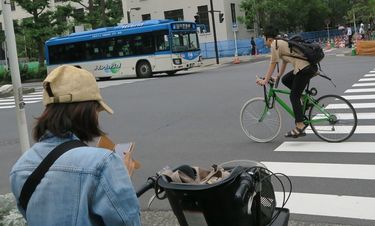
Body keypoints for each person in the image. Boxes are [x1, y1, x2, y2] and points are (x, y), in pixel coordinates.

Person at [10, 65, 141, 226]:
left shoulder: (20, 167)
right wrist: (122, 179)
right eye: (97, 110)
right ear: (86, 110)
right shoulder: (103, 164)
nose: (97, 116)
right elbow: (129, 222)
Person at [256, 25, 318, 138]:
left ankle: (299, 126)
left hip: (304, 69)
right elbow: (284, 62)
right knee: (286, 79)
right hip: (307, 68)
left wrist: (265, 80)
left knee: (294, 96)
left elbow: (273, 63)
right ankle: (304, 99)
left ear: (268, 38)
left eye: (263, 38)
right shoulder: (281, 42)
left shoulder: (274, 44)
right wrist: (278, 76)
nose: (263, 41)